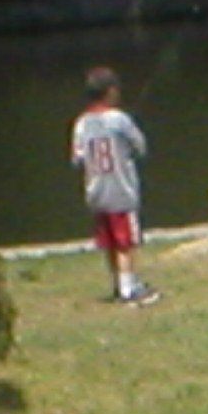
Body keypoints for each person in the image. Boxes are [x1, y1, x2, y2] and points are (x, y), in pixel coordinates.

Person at [70, 66, 160, 306]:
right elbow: (140, 146)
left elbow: (77, 158)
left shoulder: (81, 124)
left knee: (109, 242)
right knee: (125, 244)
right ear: (111, 92)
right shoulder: (120, 119)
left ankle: (119, 284)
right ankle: (129, 290)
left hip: (96, 191)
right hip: (121, 191)